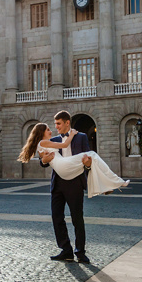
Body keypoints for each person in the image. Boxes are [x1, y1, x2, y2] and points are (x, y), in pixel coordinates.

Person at [33, 111, 93, 263]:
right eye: (55, 124)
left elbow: (88, 158)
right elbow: (43, 161)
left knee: (77, 218)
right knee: (56, 217)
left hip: (75, 182)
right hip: (58, 183)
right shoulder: (53, 140)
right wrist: (44, 161)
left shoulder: (82, 137)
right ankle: (66, 250)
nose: (56, 127)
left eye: (59, 123)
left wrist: (87, 165)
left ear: (67, 122)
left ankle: (80, 252)